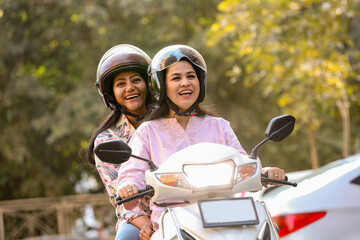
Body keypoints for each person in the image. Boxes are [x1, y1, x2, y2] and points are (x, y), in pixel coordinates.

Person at [116, 44, 287, 239]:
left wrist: (263, 172)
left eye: (191, 76)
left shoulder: (219, 126)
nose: (185, 83)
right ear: (161, 85)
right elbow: (132, 173)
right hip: (170, 220)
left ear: (200, 81)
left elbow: (243, 163)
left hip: (227, 216)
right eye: (176, 78)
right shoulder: (148, 132)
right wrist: (128, 185)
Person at [85, 44, 153, 240]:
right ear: (111, 93)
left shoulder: (169, 121)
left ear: (149, 84)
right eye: (120, 83)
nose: (130, 87)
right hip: (138, 219)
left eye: (136, 80)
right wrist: (149, 226)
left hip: (184, 206)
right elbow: (123, 200)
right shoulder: (107, 140)